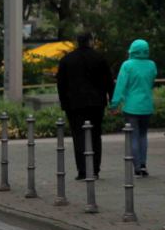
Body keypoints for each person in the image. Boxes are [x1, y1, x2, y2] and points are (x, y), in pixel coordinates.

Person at [56, 33, 113, 180]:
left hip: (74, 104)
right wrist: (111, 99)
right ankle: (95, 169)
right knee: (95, 135)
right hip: (96, 103)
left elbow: (61, 84)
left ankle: (82, 170)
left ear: (77, 42)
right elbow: (108, 81)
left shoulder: (66, 60)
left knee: (78, 136)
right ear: (90, 41)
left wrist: (64, 102)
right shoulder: (99, 58)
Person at [110, 38, 157, 176]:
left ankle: (136, 167)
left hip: (131, 107)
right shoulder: (151, 65)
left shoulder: (127, 65)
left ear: (132, 50)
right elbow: (151, 82)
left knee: (133, 136)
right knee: (143, 135)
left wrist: (114, 104)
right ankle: (143, 164)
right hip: (147, 105)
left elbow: (120, 86)